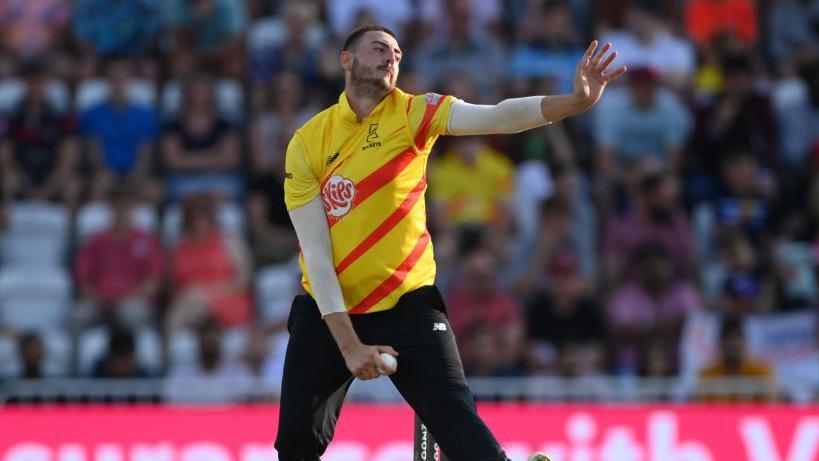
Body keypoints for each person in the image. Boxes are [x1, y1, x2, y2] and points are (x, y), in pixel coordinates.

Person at [279, 25, 625, 461]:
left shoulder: (414, 114)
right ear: (346, 60)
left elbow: (498, 115)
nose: (392, 58)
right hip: (331, 313)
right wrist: (349, 346)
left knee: (459, 423)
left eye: (399, 53)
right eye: (380, 48)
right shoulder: (308, 142)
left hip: (408, 305)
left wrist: (575, 102)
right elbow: (316, 255)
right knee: (293, 446)